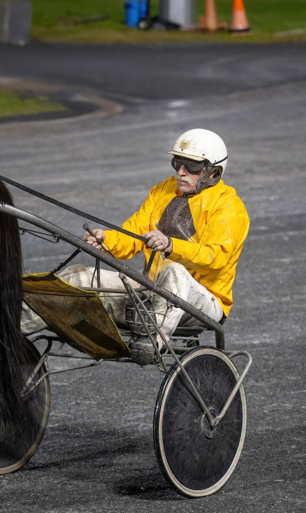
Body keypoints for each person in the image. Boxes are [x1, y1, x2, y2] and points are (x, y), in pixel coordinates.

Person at [21, 129, 250, 364]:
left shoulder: (228, 206)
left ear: (213, 172)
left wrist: (171, 245)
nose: (181, 172)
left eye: (191, 167)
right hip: (151, 293)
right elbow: (132, 235)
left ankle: (152, 340)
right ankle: (10, 328)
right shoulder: (162, 191)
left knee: (174, 272)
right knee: (80, 275)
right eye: (177, 162)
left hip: (204, 302)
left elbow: (216, 259)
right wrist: (105, 239)